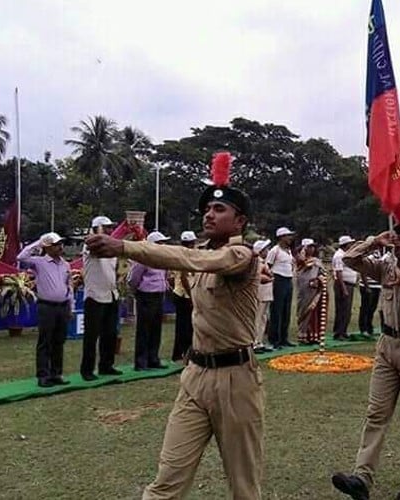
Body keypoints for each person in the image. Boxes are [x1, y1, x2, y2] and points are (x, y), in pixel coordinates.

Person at [86, 151, 264, 499]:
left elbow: (192, 259)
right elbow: (191, 257)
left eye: (219, 210)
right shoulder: (201, 251)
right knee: (167, 481)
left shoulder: (240, 256)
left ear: (239, 221)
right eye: (207, 209)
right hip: (196, 374)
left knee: (244, 486)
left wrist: (124, 246)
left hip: (236, 378)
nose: (209, 214)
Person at [331, 220, 400, 500]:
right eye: (397, 239)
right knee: (376, 413)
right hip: (386, 345)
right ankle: (362, 477)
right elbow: (349, 258)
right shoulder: (384, 265)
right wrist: (374, 241)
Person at [17, 232, 73, 388]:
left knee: (59, 341)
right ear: (47, 247)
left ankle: (56, 373)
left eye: (60, 244)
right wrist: (39, 242)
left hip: (62, 306)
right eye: (55, 245)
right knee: (45, 341)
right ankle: (43, 375)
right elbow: (21, 257)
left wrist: (71, 306)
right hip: (46, 306)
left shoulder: (65, 265)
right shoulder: (39, 262)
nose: (59, 247)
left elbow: (69, 287)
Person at [80, 215, 122, 381]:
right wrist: (96, 232)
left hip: (111, 294)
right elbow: (93, 247)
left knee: (110, 333)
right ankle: (87, 370)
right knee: (91, 336)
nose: (111, 230)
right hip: (95, 296)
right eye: (106, 227)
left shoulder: (111, 248)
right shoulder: (90, 245)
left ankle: (106, 365)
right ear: (97, 228)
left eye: (111, 227)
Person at [128, 231, 170, 371]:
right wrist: (137, 291)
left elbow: (164, 275)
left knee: (156, 328)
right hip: (146, 295)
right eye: (160, 243)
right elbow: (134, 278)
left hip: (159, 294)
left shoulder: (163, 259)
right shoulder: (143, 259)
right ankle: (140, 362)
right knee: (144, 329)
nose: (162, 245)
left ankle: (153, 358)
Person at [267, 226, 296, 349]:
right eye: (287, 236)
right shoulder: (275, 250)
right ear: (281, 237)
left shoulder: (288, 251)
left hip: (288, 279)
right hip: (278, 279)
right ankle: (275, 339)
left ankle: (284, 338)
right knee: (277, 310)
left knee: (286, 310)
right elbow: (268, 265)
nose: (290, 238)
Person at [170, 231, 197, 361]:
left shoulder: (181, 255)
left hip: (181, 293)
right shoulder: (183, 256)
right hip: (184, 295)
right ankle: (183, 353)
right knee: (185, 327)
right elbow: (184, 277)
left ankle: (181, 353)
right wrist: (192, 296)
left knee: (184, 326)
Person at [295, 238, 327, 345]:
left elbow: (323, 273)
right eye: (309, 247)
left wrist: (319, 280)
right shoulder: (300, 259)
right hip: (304, 289)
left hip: (314, 288)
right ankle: (302, 334)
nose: (312, 249)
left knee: (313, 312)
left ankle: (312, 335)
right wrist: (302, 252)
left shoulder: (317, 261)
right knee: (303, 310)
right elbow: (300, 267)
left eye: (313, 247)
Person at [332, 235, 358, 340]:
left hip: (349, 283)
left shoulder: (346, 254)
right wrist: (343, 289)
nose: (351, 245)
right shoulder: (339, 256)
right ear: (346, 245)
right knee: (342, 309)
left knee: (347, 310)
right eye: (350, 244)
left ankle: (343, 330)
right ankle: (339, 332)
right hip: (343, 284)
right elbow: (339, 273)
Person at [253, 239, 274, 354]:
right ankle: (255, 342)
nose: (268, 251)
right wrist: (270, 277)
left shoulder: (264, 262)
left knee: (263, 318)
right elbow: (259, 277)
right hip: (260, 293)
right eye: (266, 249)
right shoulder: (257, 262)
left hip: (266, 293)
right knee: (258, 317)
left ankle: (260, 341)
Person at [357, 250, 383, 337]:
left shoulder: (380, 256)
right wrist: (366, 286)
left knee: (372, 308)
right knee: (365, 307)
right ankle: (363, 328)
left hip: (377, 286)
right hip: (367, 286)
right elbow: (363, 272)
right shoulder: (368, 257)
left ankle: (369, 327)